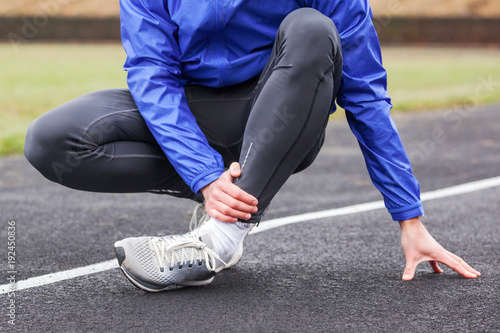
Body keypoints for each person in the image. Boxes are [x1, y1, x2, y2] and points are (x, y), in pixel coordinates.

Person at [24, 0, 480, 292]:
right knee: (51, 140)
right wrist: (203, 175)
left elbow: (364, 96)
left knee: (312, 28)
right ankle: (228, 199)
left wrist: (409, 216)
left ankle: (220, 239)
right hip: (193, 110)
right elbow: (152, 74)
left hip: (279, 114)